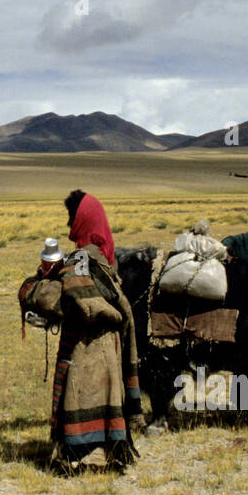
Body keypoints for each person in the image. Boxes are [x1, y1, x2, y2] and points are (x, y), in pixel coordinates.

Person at [48, 189, 141, 471]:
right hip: (109, 346)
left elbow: (82, 305)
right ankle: (107, 449)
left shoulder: (81, 260)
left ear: (84, 219)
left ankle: (84, 452)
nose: (68, 225)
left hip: (87, 345)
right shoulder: (105, 257)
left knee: (84, 391)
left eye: (72, 217)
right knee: (106, 393)